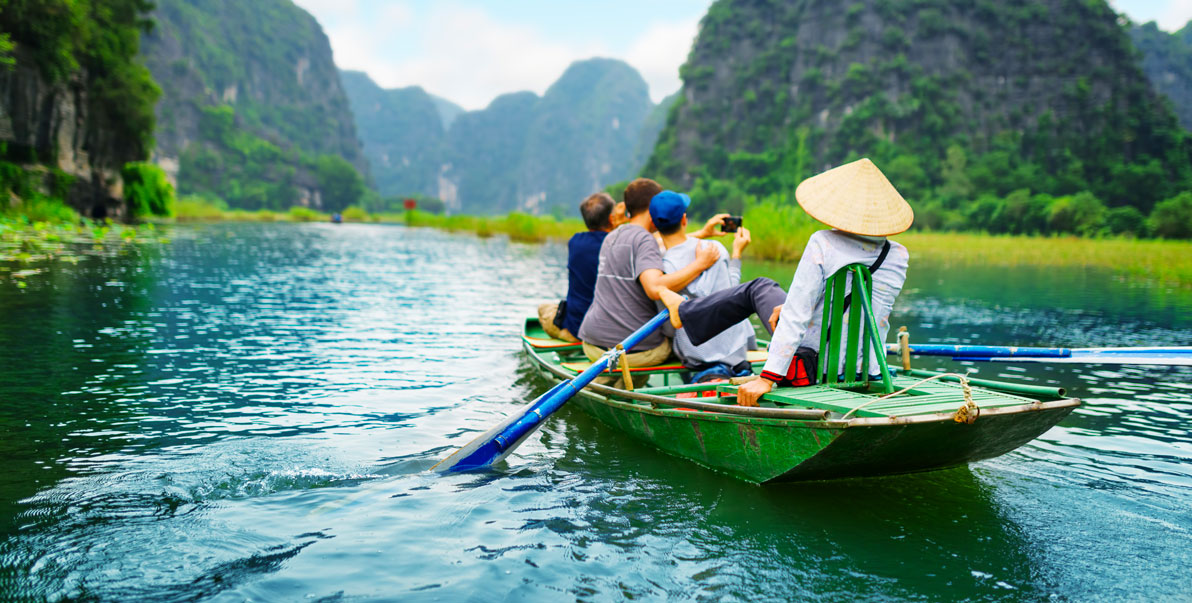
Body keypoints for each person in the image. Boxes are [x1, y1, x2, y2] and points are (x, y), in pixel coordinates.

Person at [658, 158, 912, 406]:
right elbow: (864, 311)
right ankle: (685, 312)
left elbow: (797, 316)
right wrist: (793, 306)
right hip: (866, 368)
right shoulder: (898, 255)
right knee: (774, 297)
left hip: (812, 366)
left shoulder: (823, 242)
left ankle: (683, 312)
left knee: (759, 287)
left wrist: (768, 378)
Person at [576, 178, 720, 383]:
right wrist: (700, 264)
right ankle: (696, 388)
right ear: (653, 207)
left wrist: (701, 233)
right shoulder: (644, 240)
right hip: (630, 350)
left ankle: (618, 387)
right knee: (687, 343)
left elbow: (655, 245)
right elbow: (654, 287)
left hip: (592, 343)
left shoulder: (614, 235)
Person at [651, 190, 756, 382]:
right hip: (735, 350)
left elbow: (668, 326)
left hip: (696, 355)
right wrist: (737, 254)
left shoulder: (657, 267)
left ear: (653, 224)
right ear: (684, 219)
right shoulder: (714, 249)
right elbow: (734, 295)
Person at [537, 193, 616, 342]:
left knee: (543, 308)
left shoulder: (575, 242)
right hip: (608, 328)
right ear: (611, 219)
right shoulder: (617, 245)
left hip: (576, 328)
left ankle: (566, 335)